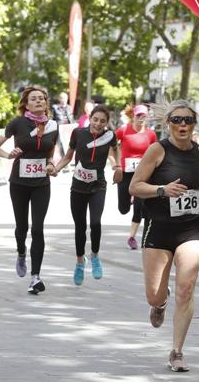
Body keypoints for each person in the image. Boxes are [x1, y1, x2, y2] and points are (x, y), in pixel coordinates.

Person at [129, 99, 199, 372]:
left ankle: (177, 351)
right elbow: (135, 186)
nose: (182, 125)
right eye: (177, 120)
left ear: (194, 124)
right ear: (168, 123)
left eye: (188, 120)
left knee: (186, 289)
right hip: (158, 227)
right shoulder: (157, 150)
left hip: (191, 229)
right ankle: (159, 304)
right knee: (154, 296)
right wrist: (161, 190)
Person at [0, 86, 58, 294]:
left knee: (38, 228)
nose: (38, 101)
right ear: (26, 104)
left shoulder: (52, 125)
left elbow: (49, 152)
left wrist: (50, 164)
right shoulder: (17, 123)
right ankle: (21, 252)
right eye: (33, 99)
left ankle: (35, 277)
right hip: (19, 183)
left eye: (41, 99)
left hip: (41, 184)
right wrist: (8, 155)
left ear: (46, 103)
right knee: (22, 228)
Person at [50, 105, 121, 286]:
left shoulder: (110, 136)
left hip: (98, 186)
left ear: (107, 123)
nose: (98, 124)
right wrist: (56, 169)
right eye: (95, 119)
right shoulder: (78, 134)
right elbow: (68, 156)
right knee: (80, 227)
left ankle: (95, 256)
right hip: (78, 186)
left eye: (103, 121)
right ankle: (80, 262)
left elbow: (115, 150)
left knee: (95, 223)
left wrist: (117, 166)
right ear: (90, 118)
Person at [114, 104, 158, 250]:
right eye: (138, 115)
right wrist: (115, 163)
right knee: (123, 208)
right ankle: (130, 199)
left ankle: (131, 237)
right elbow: (111, 146)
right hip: (126, 172)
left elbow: (156, 153)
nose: (141, 118)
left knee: (139, 206)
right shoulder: (123, 131)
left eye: (144, 116)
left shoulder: (151, 134)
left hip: (143, 174)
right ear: (133, 116)